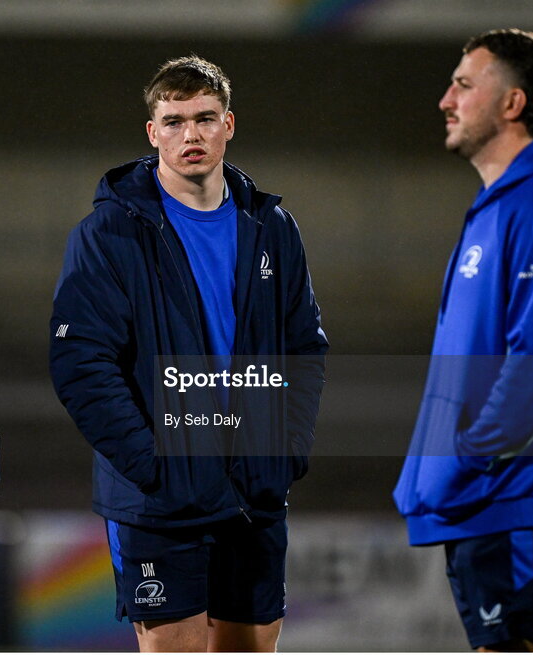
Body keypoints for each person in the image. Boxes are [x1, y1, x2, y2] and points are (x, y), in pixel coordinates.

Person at [50, 55, 328, 652]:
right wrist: (154, 466)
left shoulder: (273, 227)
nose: (191, 135)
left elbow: (303, 346)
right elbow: (81, 364)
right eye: (174, 122)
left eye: (205, 118)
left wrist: (286, 448)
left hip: (252, 491)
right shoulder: (108, 234)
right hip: (160, 502)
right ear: (153, 134)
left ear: (229, 124)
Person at [393, 29, 533, 652]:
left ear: (511, 105)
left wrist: (465, 456)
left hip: (512, 494)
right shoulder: (499, 207)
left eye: (463, 84)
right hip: (487, 497)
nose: (445, 100)